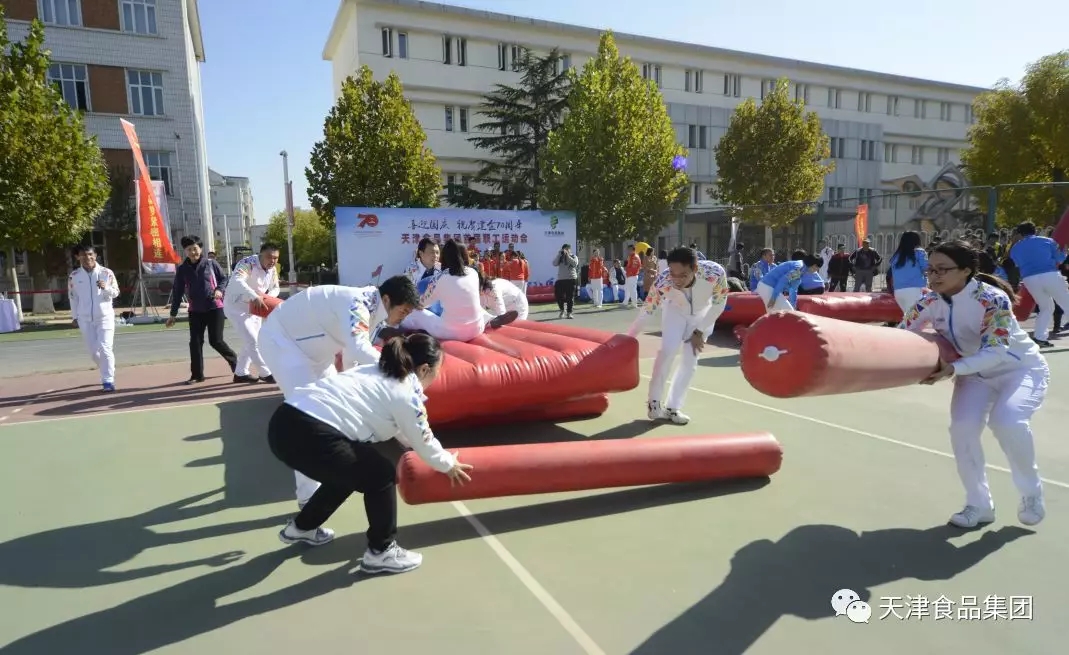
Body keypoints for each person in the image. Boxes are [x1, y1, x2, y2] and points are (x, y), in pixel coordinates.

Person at [268, 333, 474, 573]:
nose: (438, 375)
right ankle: (381, 551)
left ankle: (302, 527)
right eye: (438, 369)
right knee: (381, 475)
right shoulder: (405, 392)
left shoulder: (375, 370)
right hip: (312, 434)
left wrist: (425, 450)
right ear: (425, 369)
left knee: (350, 473)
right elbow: (423, 441)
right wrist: (448, 464)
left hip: (283, 424)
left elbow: (408, 434)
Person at [899, 241, 1047, 528]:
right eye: (930, 269)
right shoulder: (928, 301)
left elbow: (997, 350)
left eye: (942, 269)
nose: (933, 276)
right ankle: (979, 505)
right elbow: (904, 334)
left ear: (966, 270)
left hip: (1019, 370)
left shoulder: (992, 299)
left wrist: (953, 368)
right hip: (974, 375)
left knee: (1008, 421)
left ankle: (1032, 494)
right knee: (962, 430)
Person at [259, 276, 421, 508]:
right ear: (387, 300)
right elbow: (359, 348)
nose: (404, 317)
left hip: (317, 353)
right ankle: (308, 500)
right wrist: (399, 372)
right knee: (309, 419)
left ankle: (407, 443)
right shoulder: (358, 303)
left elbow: (352, 356)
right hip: (283, 344)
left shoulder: (375, 312)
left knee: (338, 408)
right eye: (403, 310)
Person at [626, 248, 729, 425]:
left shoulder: (715, 273)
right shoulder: (663, 281)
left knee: (690, 361)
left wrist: (700, 331)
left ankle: (673, 408)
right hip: (675, 312)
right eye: (673, 273)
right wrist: (628, 338)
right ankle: (654, 403)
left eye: (683, 275)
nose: (677, 280)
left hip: (702, 316)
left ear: (694, 268)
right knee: (667, 352)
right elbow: (646, 312)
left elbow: (720, 304)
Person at [403, 239, 517, 340]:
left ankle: (400, 326)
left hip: (450, 330)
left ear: (444, 257)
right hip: (477, 328)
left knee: (416, 312)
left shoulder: (439, 276)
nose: (435, 256)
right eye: (431, 252)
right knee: (468, 305)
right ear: (420, 253)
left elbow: (422, 304)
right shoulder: (473, 272)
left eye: (437, 252)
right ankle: (490, 320)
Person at [166, 236, 238, 384]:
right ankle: (197, 375)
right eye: (189, 249)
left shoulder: (211, 264)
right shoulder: (182, 269)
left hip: (214, 308)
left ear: (200, 249)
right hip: (195, 311)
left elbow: (224, 279)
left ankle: (236, 362)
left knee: (216, 341)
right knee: (195, 342)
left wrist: (219, 290)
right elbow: (178, 292)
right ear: (185, 251)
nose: (193, 252)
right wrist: (173, 314)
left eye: (195, 249)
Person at [222, 243, 281, 383]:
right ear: (260, 254)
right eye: (269, 257)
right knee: (253, 341)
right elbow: (237, 280)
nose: (272, 261)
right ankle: (265, 373)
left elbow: (275, 287)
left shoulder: (272, 269)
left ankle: (240, 373)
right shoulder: (247, 263)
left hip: (256, 308)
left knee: (251, 341)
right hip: (236, 307)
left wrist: (266, 298)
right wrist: (254, 296)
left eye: (275, 258)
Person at [1007, 221, 1069, 347]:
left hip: (1029, 279)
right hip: (1050, 274)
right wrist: (1065, 252)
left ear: (1020, 233)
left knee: (1046, 307)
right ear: (1034, 230)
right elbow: (1060, 259)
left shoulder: (1015, 248)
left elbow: (1017, 264)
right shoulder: (1047, 241)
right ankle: (1040, 337)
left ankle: (1040, 337)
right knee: (1066, 303)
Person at [68, 245, 120, 392]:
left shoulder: (106, 273)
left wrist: (106, 287)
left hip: (104, 317)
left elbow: (116, 292)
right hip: (85, 319)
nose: (87, 258)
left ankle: (108, 380)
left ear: (95, 255)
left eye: (90, 254)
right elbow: (73, 297)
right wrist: (74, 316)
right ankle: (106, 366)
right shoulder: (74, 276)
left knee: (105, 348)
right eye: (83, 255)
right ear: (78, 257)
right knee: (93, 353)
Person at [755, 251, 822, 312]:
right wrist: (773, 298)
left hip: (768, 287)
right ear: (814, 266)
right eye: (817, 269)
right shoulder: (799, 269)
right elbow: (783, 281)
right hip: (767, 287)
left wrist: (793, 306)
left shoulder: (801, 269)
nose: (816, 271)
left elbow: (793, 289)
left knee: (789, 312)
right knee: (788, 312)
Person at [888, 231, 929, 315]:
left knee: (910, 316)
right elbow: (926, 267)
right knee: (915, 317)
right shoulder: (919, 252)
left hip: (898, 291)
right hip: (913, 290)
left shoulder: (896, 256)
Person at [553, 244, 579, 319]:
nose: (566, 250)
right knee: (558, 296)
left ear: (570, 249)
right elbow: (554, 263)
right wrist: (559, 254)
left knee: (569, 297)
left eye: (567, 249)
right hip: (561, 279)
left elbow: (575, 264)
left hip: (571, 279)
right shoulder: (560, 257)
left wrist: (567, 256)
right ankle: (562, 310)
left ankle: (569, 313)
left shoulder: (573, 256)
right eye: (565, 249)